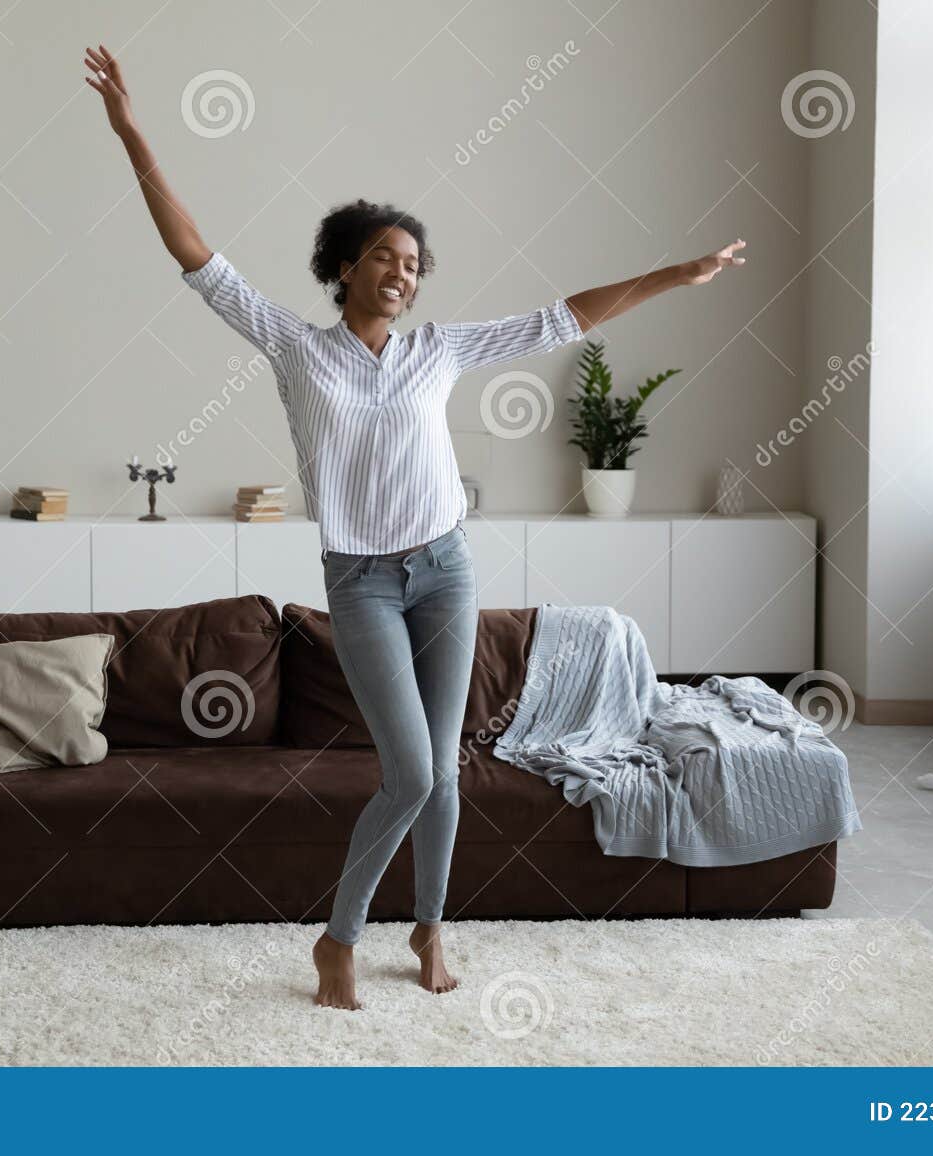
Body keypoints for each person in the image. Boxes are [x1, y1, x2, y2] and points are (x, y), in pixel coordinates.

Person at [85, 40, 746, 1010]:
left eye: (413, 264)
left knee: (445, 776)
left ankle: (431, 924)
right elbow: (195, 255)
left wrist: (673, 275)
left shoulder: (441, 347)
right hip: (361, 580)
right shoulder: (295, 348)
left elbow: (564, 318)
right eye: (384, 259)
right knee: (408, 771)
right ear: (343, 268)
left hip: (444, 568)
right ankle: (339, 938)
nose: (403, 273)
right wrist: (134, 134)